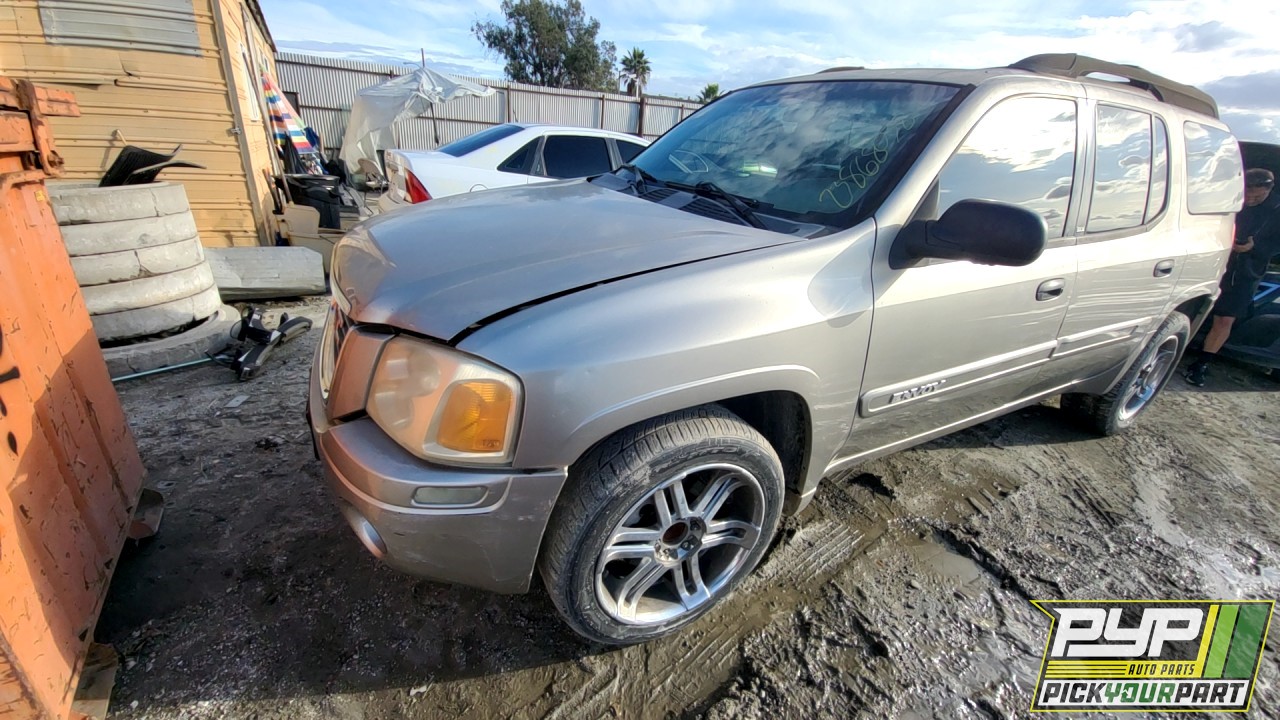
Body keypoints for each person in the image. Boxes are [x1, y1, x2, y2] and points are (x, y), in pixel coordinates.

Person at [1185, 168, 1280, 386]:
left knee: (1225, 318)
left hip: (1247, 273)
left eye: (1257, 196)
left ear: (1269, 189)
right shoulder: (1229, 197)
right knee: (1192, 306)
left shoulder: (1276, 210)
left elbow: (1276, 245)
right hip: (1214, 262)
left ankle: (1202, 363)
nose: (1250, 199)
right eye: (1248, 194)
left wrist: (1255, 247)